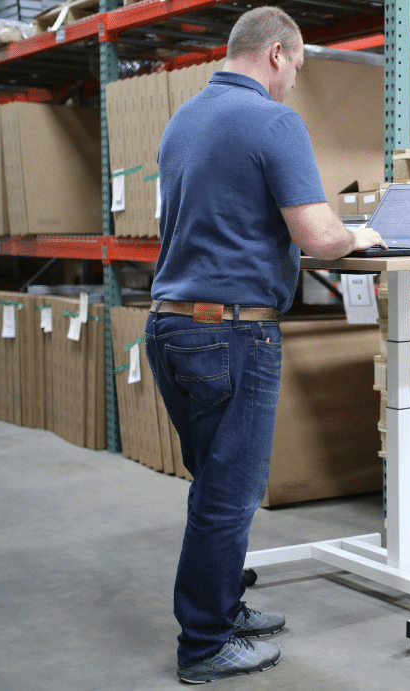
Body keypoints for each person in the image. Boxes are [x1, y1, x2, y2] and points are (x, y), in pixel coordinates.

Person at [144, 6, 385, 684]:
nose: (293, 85)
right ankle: (204, 644)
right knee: (230, 494)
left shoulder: (184, 119)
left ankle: (221, 605)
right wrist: (357, 236)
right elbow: (316, 235)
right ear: (276, 54)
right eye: (297, 70)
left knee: (212, 487)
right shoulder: (274, 121)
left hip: (171, 324)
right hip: (232, 331)